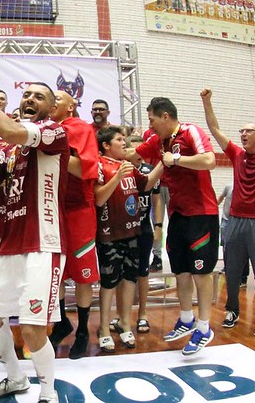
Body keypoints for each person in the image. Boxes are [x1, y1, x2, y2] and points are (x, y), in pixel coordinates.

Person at [0, 64, 69, 403]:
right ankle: (16, 378)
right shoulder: (8, 151)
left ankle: (48, 393)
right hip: (9, 246)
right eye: (26, 95)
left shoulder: (53, 131)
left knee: (33, 328)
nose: (30, 99)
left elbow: (8, 130)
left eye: (39, 96)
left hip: (43, 244)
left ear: (51, 107)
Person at [133, 96, 218, 355]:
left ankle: (204, 327)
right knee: (180, 271)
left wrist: (177, 159)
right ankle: (186, 318)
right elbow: (134, 158)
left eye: (152, 120)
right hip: (178, 214)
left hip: (201, 214)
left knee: (201, 273)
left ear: (165, 116)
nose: (150, 125)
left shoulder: (190, 131)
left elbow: (209, 160)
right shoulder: (160, 142)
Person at [201, 89, 255, 338]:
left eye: (248, 131)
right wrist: (207, 102)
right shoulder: (237, 155)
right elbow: (214, 129)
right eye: (241, 131)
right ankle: (232, 311)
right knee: (231, 270)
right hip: (235, 222)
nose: (243, 134)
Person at [94, 126, 163, 352]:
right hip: (109, 234)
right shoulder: (100, 165)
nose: (124, 143)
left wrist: (164, 161)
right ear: (106, 145)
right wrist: (117, 178)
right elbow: (98, 199)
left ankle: (124, 324)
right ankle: (104, 328)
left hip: (133, 233)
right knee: (109, 282)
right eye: (119, 139)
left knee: (129, 279)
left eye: (124, 139)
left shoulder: (129, 166)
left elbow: (147, 183)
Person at [48, 91, 100, 359]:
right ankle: (60, 322)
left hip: (78, 209)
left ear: (71, 106)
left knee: (82, 275)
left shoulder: (78, 128)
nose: (53, 102)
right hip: (51, 208)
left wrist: (52, 151)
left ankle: (82, 331)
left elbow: (84, 169)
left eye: (58, 99)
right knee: (55, 272)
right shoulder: (44, 129)